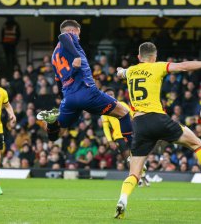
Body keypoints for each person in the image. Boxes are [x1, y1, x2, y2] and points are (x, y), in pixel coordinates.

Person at [114, 42, 201, 219]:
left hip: (139, 125)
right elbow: (183, 66)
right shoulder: (157, 67)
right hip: (158, 119)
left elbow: (121, 73)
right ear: (154, 56)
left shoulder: (131, 71)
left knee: (134, 173)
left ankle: (123, 200)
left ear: (138, 57)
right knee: (197, 143)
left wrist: (121, 71)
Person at [36, 20, 133, 148]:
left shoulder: (54, 55)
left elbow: (58, 80)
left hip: (69, 98)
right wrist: (77, 56)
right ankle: (133, 150)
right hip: (87, 92)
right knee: (124, 113)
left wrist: (62, 97)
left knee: (57, 135)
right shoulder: (68, 37)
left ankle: (52, 123)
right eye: (78, 33)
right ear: (72, 31)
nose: (79, 37)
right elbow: (63, 36)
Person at [101, 88, 149, 187]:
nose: (110, 96)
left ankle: (141, 176)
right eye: (108, 95)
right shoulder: (104, 109)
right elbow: (105, 127)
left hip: (130, 133)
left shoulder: (122, 104)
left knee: (135, 155)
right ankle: (137, 177)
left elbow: (132, 116)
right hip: (118, 137)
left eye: (112, 94)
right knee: (128, 156)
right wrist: (110, 141)